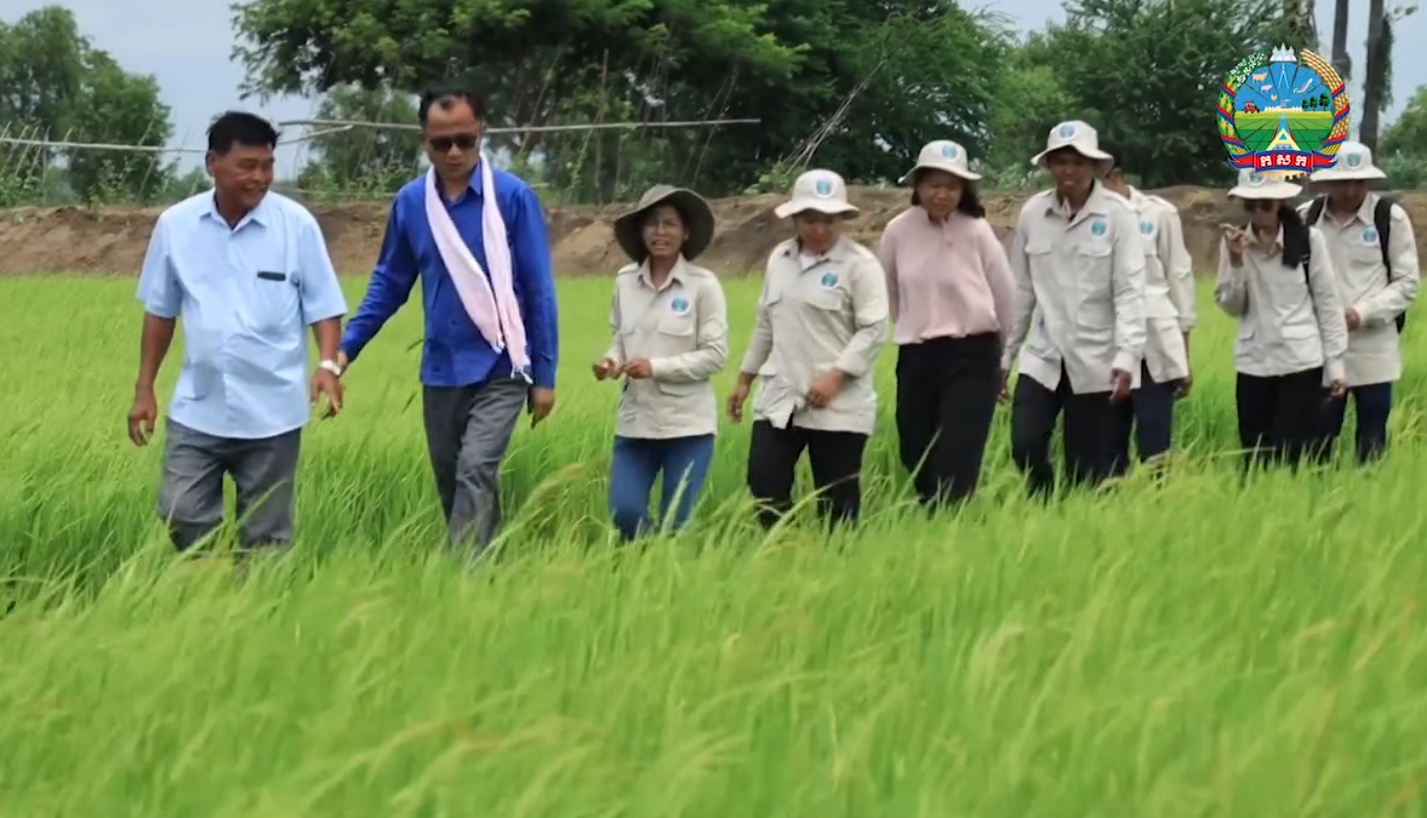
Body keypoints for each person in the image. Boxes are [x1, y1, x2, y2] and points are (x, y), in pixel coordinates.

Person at [337, 84, 559, 554]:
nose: (454, 152)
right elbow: (389, 283)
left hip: (502, 364)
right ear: (425, 142)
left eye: (464, 140)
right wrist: (345, 348)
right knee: (452, 479)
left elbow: (538, 289)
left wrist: (545, 375)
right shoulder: (411, 204)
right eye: (442, 143)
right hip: (442, 367)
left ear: (481, 134)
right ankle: (487, 567)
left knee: (476, 468)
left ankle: (461, 575)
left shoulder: (513, 198)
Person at [126, 111, 347, 554]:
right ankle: (207, 580)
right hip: (198, 407)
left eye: (267, 166)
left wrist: (327, 364)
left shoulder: (296, 225)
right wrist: (145, 388)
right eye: (248, 166)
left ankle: (256, 596)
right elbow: (161, 312)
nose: (260, 177)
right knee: (181, 510)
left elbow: (323, 305)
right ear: (213, 163)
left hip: (273, 413)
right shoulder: (176, 226)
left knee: (266, 537)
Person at [727, 170, 889, 529]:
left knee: (837, 503)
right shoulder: (780, 259)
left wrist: (835, 377)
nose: (820, 228)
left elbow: (874, 329)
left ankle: (834, 559)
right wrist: (744, 380)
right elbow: (766, 322)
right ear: (795, 218)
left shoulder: (860, 266)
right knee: (764, 486)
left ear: (842, 219)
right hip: (780, 396)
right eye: (810, 219)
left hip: (838, 404)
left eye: (829, 220)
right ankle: (782, 551)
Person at [1002, 120, 1147, 499]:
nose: (1069, 170)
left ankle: (1072, 517)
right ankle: (1043, 502)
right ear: (1049, 165)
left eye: (1079, 162)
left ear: (1095, 166)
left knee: (1086, 468)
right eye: (1061, 161)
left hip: (1097, 359)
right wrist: (1004, 356)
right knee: (1025, 444)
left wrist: (1127, 356)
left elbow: (1130, 291)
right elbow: (1021, 289)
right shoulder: (1033, 213)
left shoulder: (1119, 215)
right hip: (1044, 355)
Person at [879, 139, 1014, 508]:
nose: (942, 194)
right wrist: (913, 325)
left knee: (958, 452)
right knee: (915, 450)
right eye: (934, 185)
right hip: (918, 355)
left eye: (952, 187)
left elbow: (1005, 295)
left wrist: (1004, 360)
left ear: (964, 190)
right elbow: (890, 291)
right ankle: (933, 513)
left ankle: (954, 521)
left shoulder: (977, 230)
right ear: (918, 185)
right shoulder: (897, 231)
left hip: (973, 354)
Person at [593, 185, 728, 539]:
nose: (660, 232)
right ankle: (645, 559)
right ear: (641, 231)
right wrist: (610, 361)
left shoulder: (703, 286)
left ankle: (661, 566)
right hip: (636, 424)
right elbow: (620, 339)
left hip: (688, 427)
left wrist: (654, 368)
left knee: (675, 523)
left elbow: (715, 356)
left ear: (686, 232)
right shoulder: (625, 282)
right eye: (652, 223)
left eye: (669, 224)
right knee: (625, 512)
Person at [1215, 169, 1349, 470]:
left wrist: (1336, 366)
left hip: (1300, 363)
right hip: (1254, 363)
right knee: (1256, 456)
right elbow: (1232, 307)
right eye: (1250, 205)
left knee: (1295, 456)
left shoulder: (1309, 241)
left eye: (1265, 204)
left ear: (1279, 203)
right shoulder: (1234, 243)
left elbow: (1327, 303)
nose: (1258, 212)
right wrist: (1236, 263)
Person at [1299, 141, 1420, 464]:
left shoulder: (1389, 218)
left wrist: (1360, 314)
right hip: (1320, 353)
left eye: (1359, 181)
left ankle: (1370, 490)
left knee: (1372, 442)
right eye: (1343, 181)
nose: (1351, 190)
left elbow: (1407, 283)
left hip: (1373, 352)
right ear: (1327, 181)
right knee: (1317, 443)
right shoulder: (1306, 218)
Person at [1098, 141, 1196, 464]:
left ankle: (1159, 495)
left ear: (1115, 175)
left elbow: (1179, 279)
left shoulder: (1159, 214)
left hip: (1154, 343)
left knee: (1155, 443)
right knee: (1108, 444)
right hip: (1106, 344)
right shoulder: (1085, 218)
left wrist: (1183, 355)